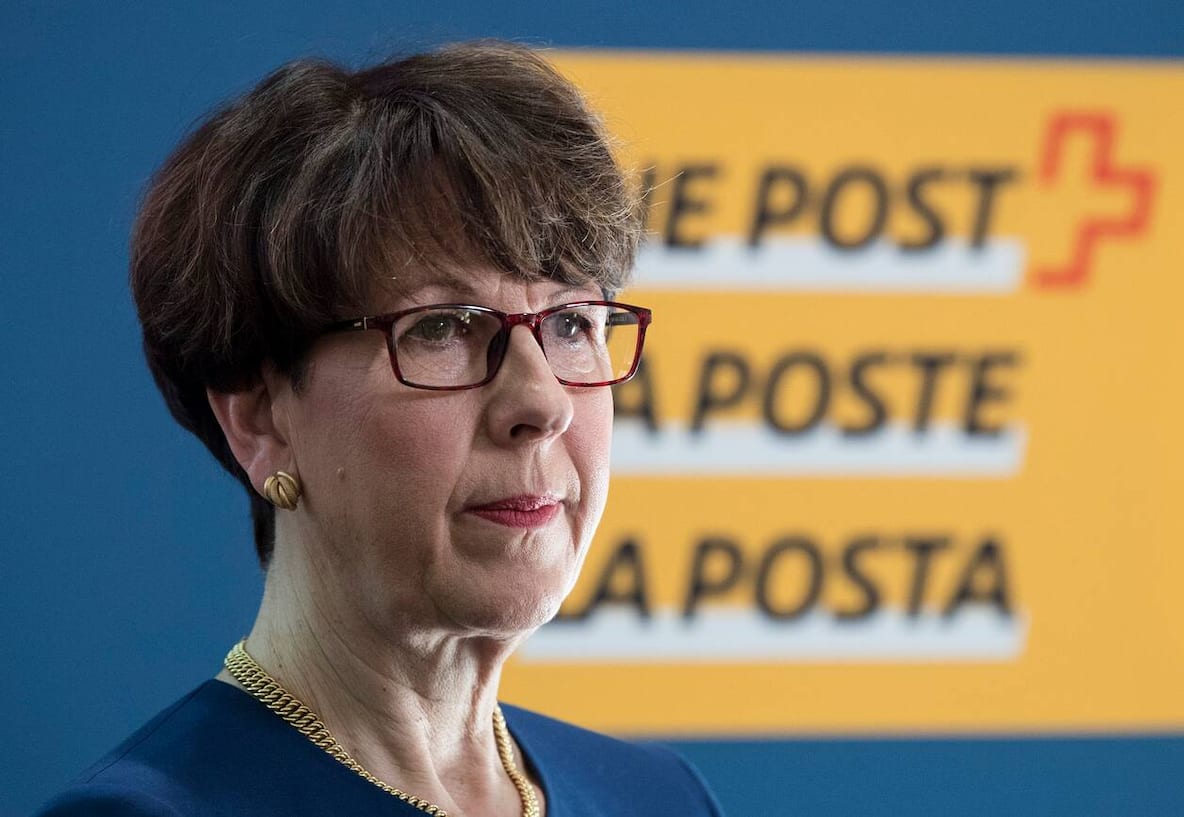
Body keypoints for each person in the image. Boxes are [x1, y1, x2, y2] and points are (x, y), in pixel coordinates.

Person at [39, 41, 723, 817]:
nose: (542, 402)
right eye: (444, 328)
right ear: (260, 417)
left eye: (570, 321)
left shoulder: (659, 796)